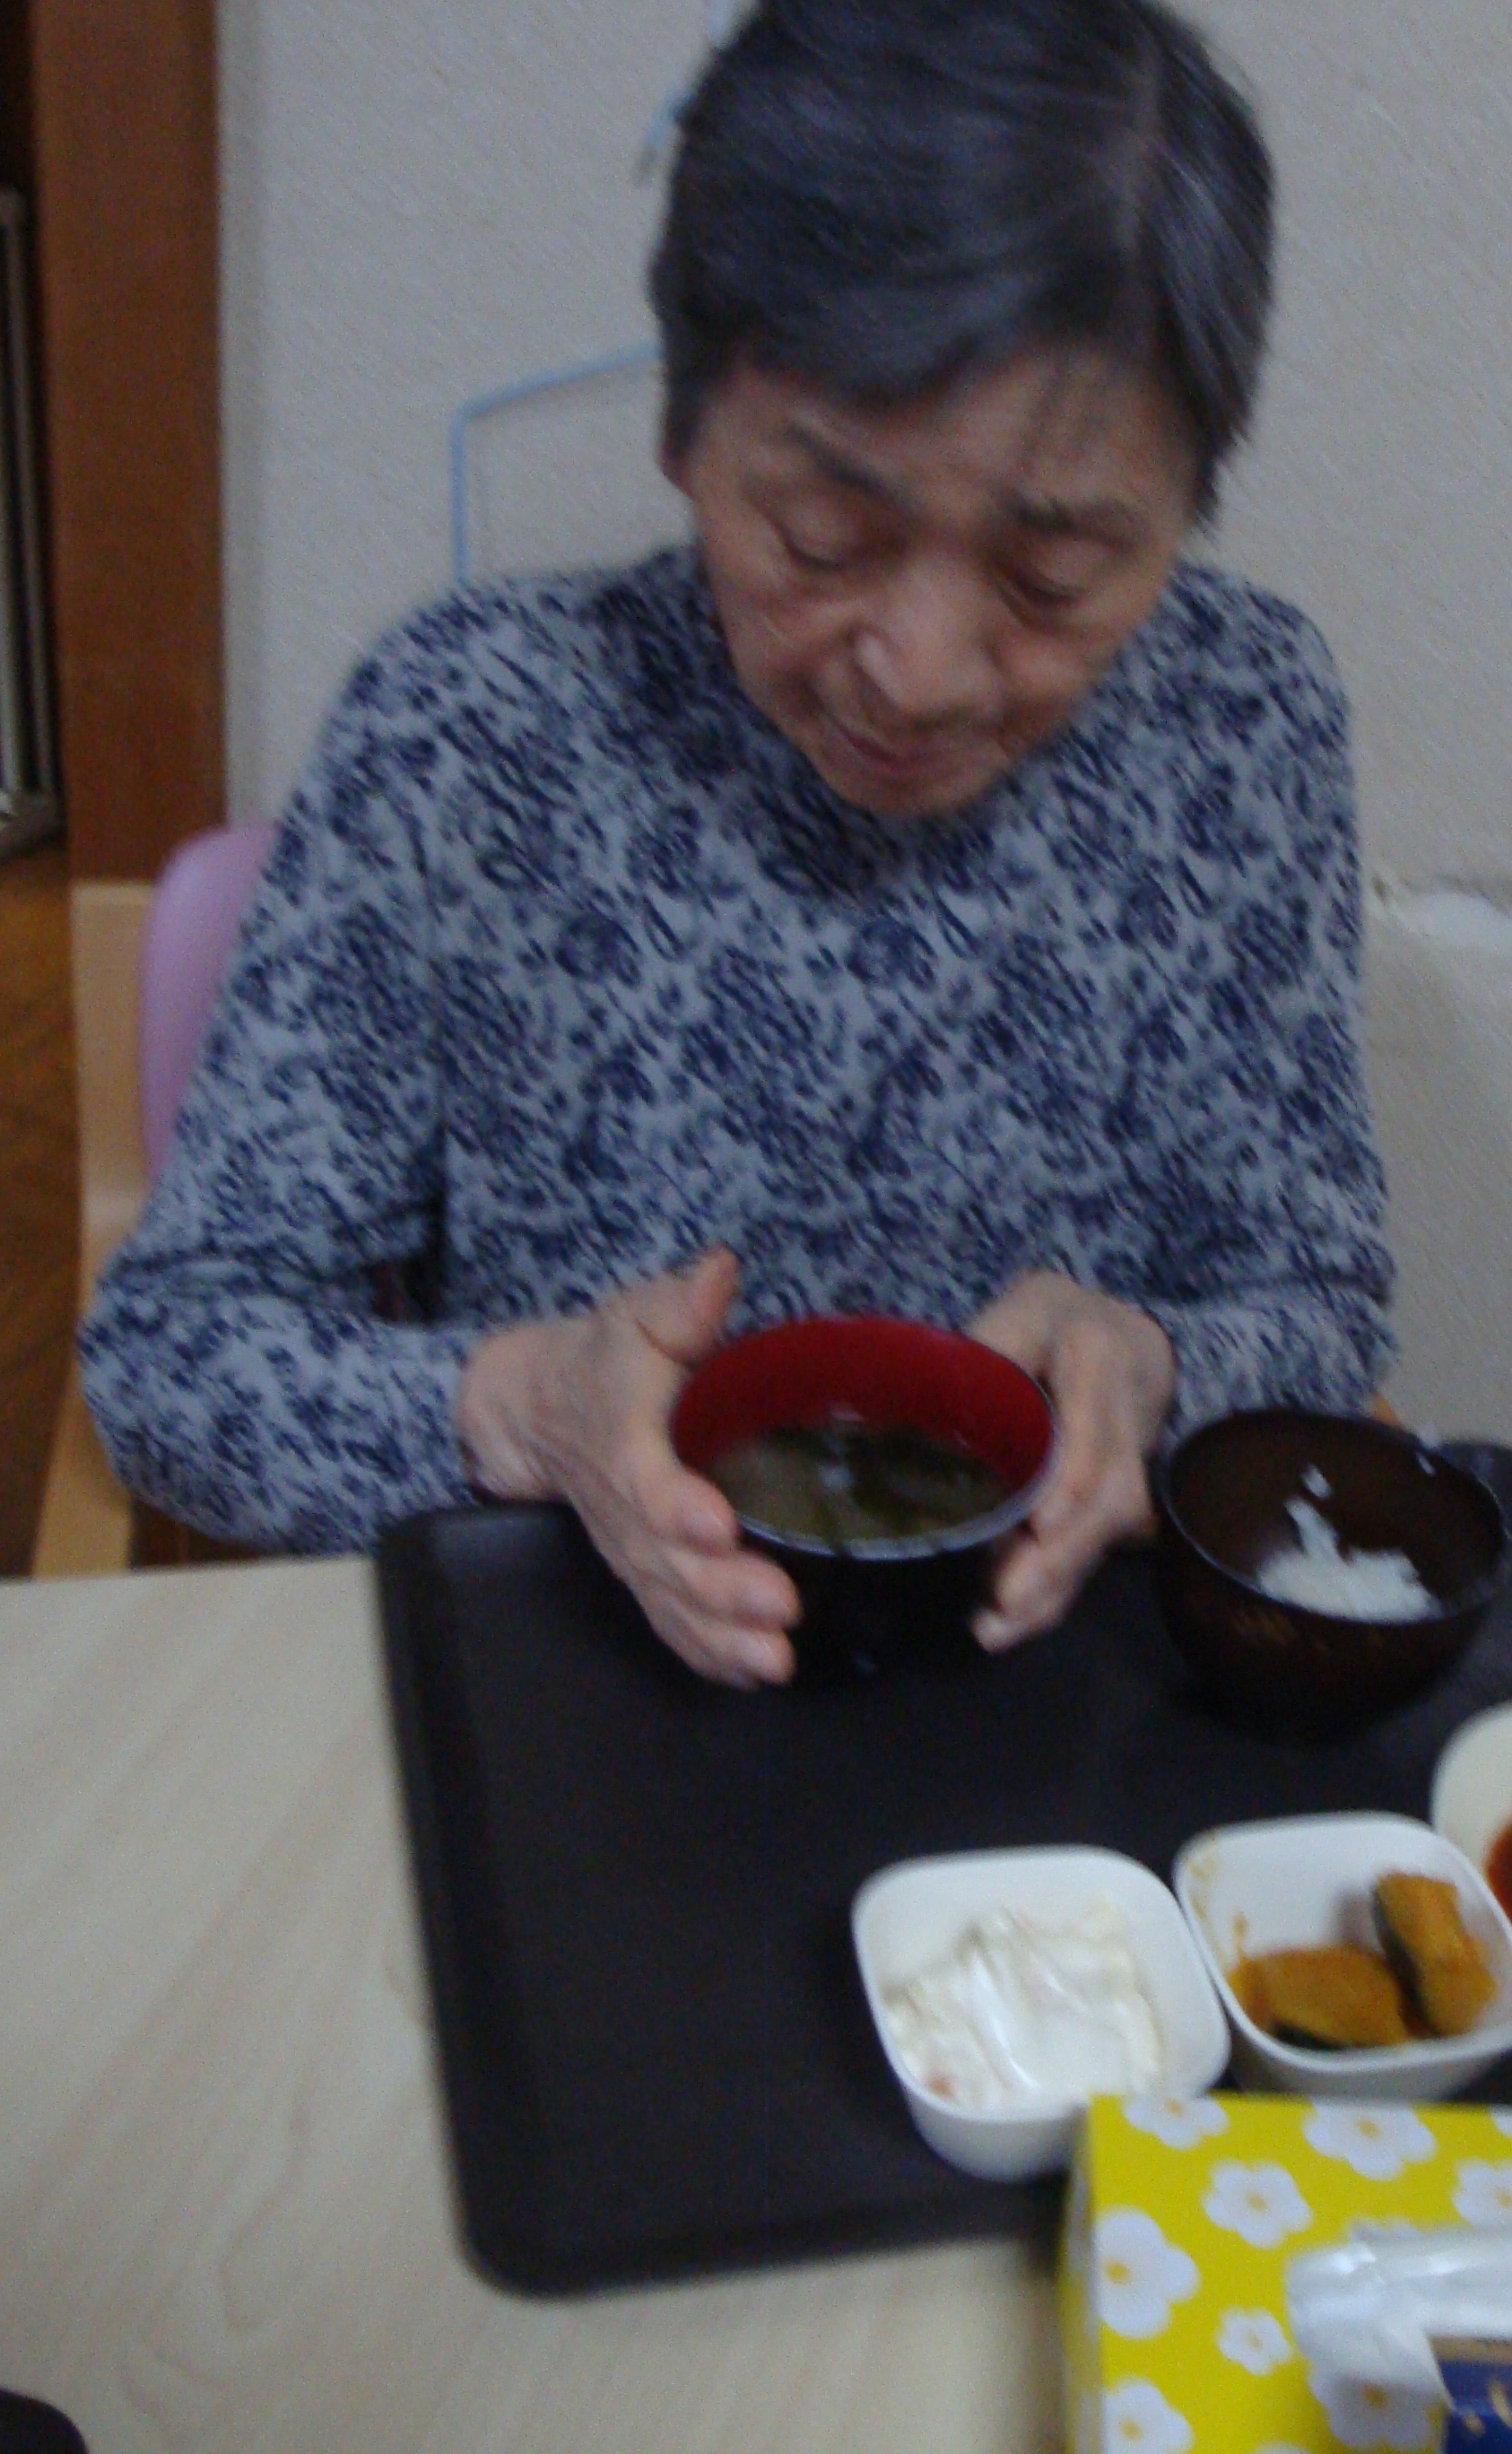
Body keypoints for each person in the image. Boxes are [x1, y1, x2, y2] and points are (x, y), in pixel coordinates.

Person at [78, 0, 1395, 1689]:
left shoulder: (1237, 720)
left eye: (1050, 579)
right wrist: (520, 1410)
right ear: (684, 433)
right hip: (588, 1689)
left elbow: (1318, 1297)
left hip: (1064, 1703)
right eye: (825, 537)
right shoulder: (470, 732)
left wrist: (1160, 1366)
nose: (920, 672)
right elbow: (176, 1361)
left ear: (1189, 506)